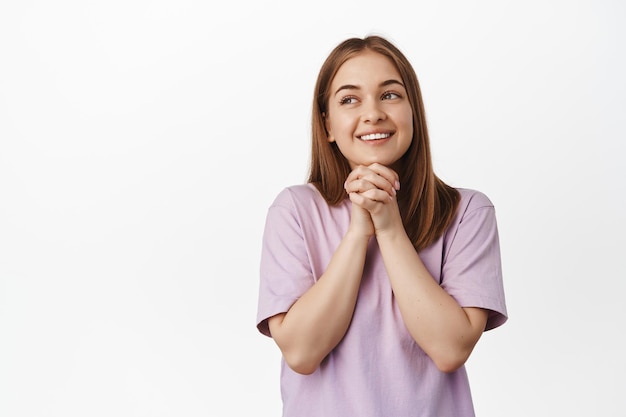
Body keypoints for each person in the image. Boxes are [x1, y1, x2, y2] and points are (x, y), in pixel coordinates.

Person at [256, 35, 507, 417]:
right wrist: (359, 231)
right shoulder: (294, 210)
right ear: (327, 124)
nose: (372, 113)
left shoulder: (467, 211)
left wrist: (389, 228)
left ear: (413, 112)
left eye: (390, 95)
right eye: (349, 99)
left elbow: (450, 349)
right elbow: (302, 352)